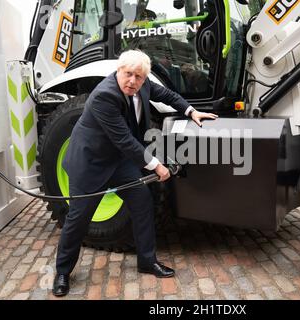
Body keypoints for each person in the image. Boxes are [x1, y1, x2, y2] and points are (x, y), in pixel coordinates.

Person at [52, 50, 218, 297]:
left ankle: (146, 261)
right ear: (118, 71)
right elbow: (126, 141)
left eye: (138, 77)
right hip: (90, 164)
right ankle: (62, 272)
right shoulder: (104, 96)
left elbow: (168, 95)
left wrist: (191, 111)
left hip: (116, 162)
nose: (132, 81)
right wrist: (157, 166)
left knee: (142, 201)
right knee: (78, 220)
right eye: (128, 74)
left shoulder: (144, 83)